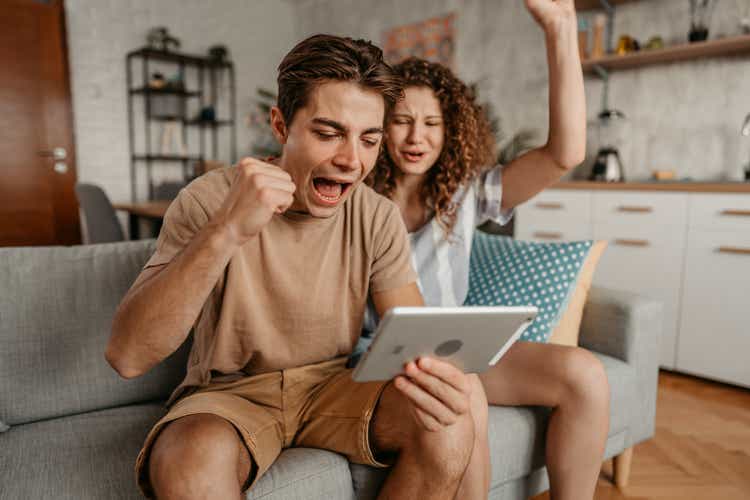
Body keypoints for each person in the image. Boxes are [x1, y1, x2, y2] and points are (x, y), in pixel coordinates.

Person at [106, 34, 489, 500]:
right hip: (231, 394)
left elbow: (413, 335)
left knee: (446, 424)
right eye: (328, 134)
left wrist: (449, 381)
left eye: (369, 140)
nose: (351, 160)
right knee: (187, 461)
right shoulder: (210, 199)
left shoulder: (375, 214)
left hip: (336, 385)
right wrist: (226, 230)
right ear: (281, 125)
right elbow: (128, 356)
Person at [358, 1, 611, 498]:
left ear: (450, 129)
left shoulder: (465, 192)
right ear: (378, 126)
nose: (417, 137)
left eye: (432, 123)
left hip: (457, 352)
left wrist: (560, 30)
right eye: (402, 121)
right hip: (374, 360)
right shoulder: (354, 197)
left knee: (585, 375)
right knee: (462, 391)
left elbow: (566, 153)